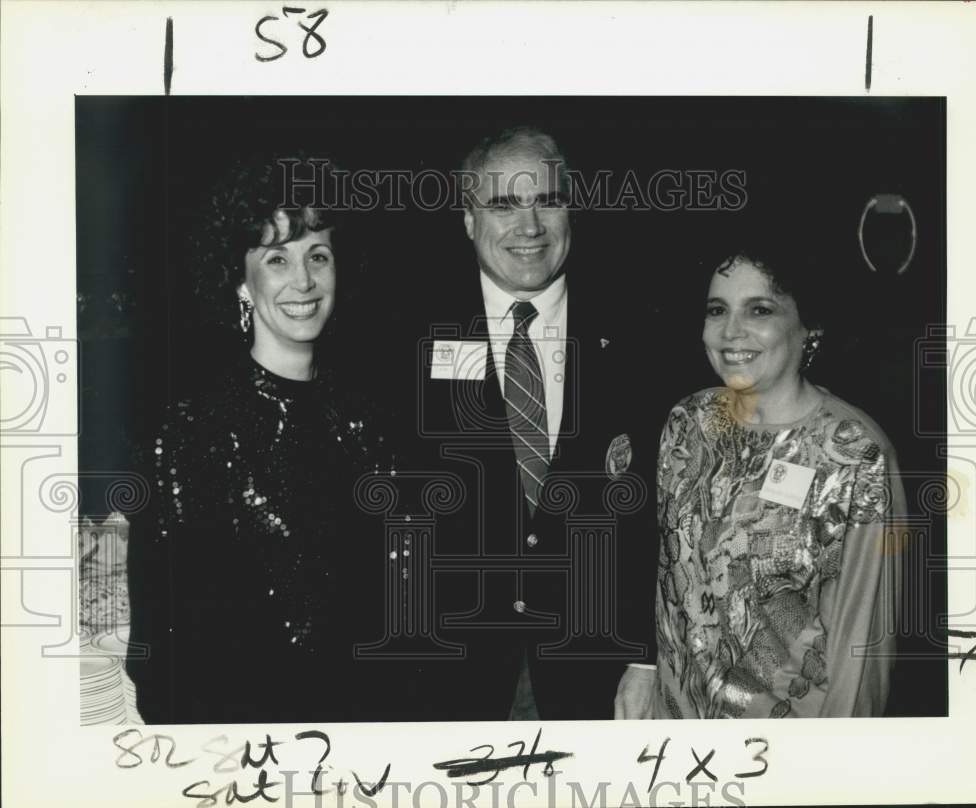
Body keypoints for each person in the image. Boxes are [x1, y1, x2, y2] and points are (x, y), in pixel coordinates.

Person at [364, 126, 662, 721]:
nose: (530, 227)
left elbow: (658, 509)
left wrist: (646, 658)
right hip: (445, 678)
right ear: (469, 220)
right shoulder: (398, 333)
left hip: (596, 676)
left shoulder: (639, 330)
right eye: (503, 204)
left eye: (546, 200)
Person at [126, 157, 392, 724]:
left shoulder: (370, 419)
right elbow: (160, 644)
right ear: (240, 282)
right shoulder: (191, 432)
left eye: (318, 255)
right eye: (277, 259)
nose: (303, 281)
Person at [617, 238, 906, 719]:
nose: (731, 332)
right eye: (717, 310)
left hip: (787, 752)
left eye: (760, 310)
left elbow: (863, 653)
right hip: (673, 743)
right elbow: (667, 585)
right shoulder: (688, 423)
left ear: (808, 327)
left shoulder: (855, 454)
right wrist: (643, 671)